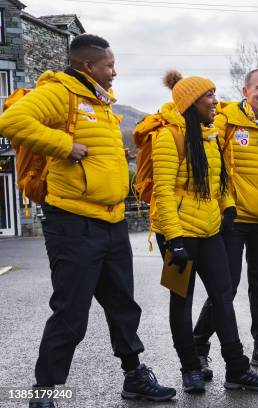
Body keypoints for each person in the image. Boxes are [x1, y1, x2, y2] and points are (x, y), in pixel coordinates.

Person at [0, 34, 176, 407]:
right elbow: (12, 120)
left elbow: (92, 151)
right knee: (71, 312)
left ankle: (134, 377)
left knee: (123, 306)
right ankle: (44, 392)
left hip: (111, 222)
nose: (114, 72)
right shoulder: (61, 92)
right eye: (109, 65)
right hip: (73, 223)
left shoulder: (99, 103)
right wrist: (64, 146)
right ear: (87, 66)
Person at [150, 70, 258, 393]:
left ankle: (237, 368)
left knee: (223, 296)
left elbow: (218, 182)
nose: (215, 101)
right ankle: (190, 367)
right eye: (209, 95)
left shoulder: (209, 136)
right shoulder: (168, 137)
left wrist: (229, 206)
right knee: (181, 301)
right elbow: (163, 192)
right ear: (192, 101)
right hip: (176, 236)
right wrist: (174, 240)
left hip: (210, 232)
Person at [192, 69, 258, 371]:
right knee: (227, 286)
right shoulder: (226, 121)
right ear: (245, 91)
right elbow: (208, 158)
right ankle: (199, 346)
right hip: (233, 219)